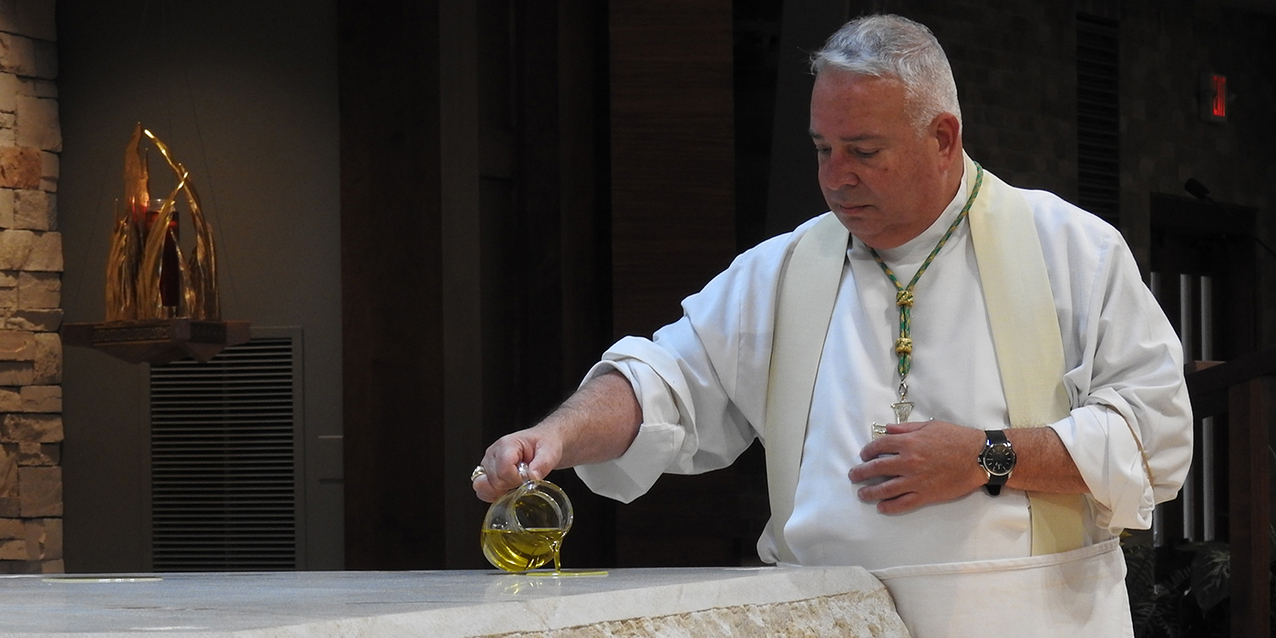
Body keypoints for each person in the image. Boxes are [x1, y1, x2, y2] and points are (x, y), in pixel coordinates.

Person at [471, 14, 1191, 636]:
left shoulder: (1072, 250)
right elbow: (667, 381)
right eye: (823, 149)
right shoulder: (784, 271)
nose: (835, 176)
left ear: (943, 137)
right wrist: (558, 435)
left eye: (863, 151)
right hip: (824, 617)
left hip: (1030, 618)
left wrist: (987, 455)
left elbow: (1152, 439)